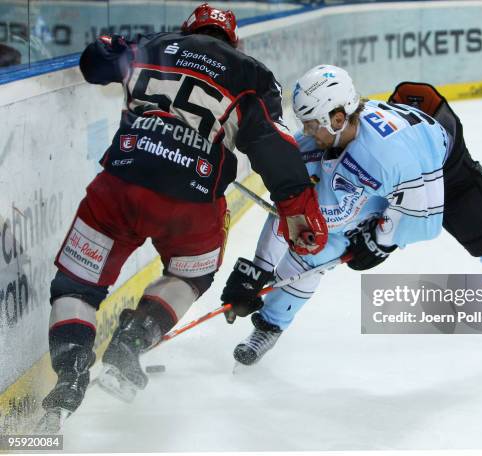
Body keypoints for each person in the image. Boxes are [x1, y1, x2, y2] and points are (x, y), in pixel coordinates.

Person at [37, 4, 328, 430]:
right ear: (233, 40)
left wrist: (114, 48)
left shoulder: (151, 46)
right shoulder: (251, 73)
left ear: (187, 30)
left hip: (121, 184)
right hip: (192, 200)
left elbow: (94, 63)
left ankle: (70, 371)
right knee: (190, 275)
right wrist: (298, 209)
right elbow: (272, 143)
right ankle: (130, 343)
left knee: (77, 284)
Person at [220, 64, 482, 367]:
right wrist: (260, 268)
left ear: (338, 118)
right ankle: (270, 325)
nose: (306, 132)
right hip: (392, 183)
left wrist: (377, 242)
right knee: (317, 242)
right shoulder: (322, 142)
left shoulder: (391, 152)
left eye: (311, 123)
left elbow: (423, 224)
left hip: (445, 176)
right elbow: (294, 212)